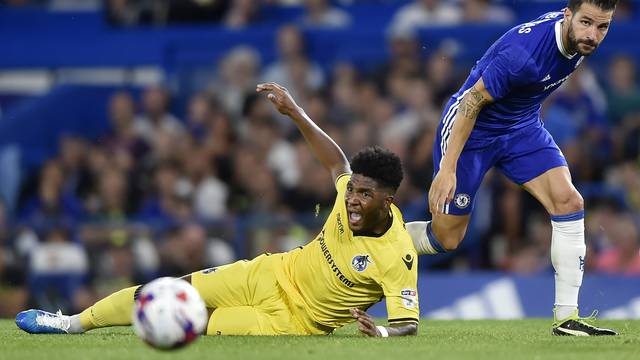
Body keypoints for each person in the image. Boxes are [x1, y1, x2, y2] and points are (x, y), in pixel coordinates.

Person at [16, 83, 419, 337]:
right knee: (169, 292)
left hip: (293, 321)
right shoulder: (347, 189)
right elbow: (337, 163)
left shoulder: (396, 253)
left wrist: (381, 333)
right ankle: (69, 323)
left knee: (193, 321)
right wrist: (295, 112)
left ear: (388, 200)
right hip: (270, 271)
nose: (352, 199)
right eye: (352, 191)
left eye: (364, 195)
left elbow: (406, 324)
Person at [406, 0, 619, 336]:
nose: (593, 34)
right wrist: (448, 168)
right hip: (472, 130)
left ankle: (567, 318)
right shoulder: (524, 54)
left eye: (602, 27)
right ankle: (382, 239)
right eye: (587, 23)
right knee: (447, 237)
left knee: (570, 201)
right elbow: (471, 102)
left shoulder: (578, 40)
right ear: (568, 15)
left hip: (521, 127)